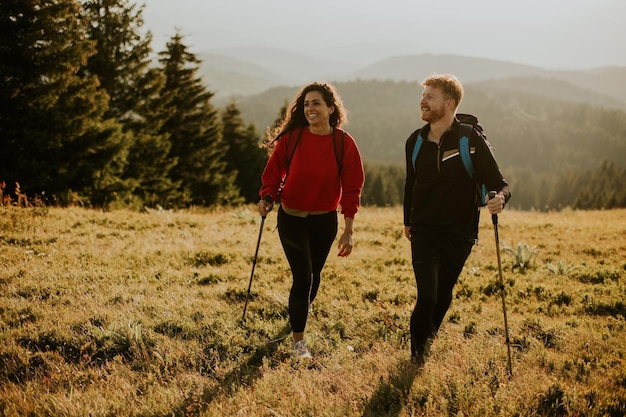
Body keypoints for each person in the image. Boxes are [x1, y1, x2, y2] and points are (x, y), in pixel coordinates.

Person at [403, 73, 511, 364]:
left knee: (443, 293)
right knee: (427, 297)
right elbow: (411, 182)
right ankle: (416, 358)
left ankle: (428, 338)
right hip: (424, 230)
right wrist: (407, 221)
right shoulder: (415, 141)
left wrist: (499, 198)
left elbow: (499, 182)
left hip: (460, 233)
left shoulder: (469, 139)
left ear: (449, 103)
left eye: (430, 96)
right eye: (423, 95)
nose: (422, 101)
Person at [257, 81, 365, 359]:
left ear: (331, 108)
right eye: (306, 104)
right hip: (291, 216)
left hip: (324, 220)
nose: (310, 108)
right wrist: (267, 197)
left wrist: (348, 230)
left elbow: (352, 188)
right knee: (302, 276)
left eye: (316, 103)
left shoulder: (343, 143)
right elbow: (273, 172)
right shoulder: (292, 139)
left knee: (314, 274)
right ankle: (298, 343)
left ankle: (301, 309)